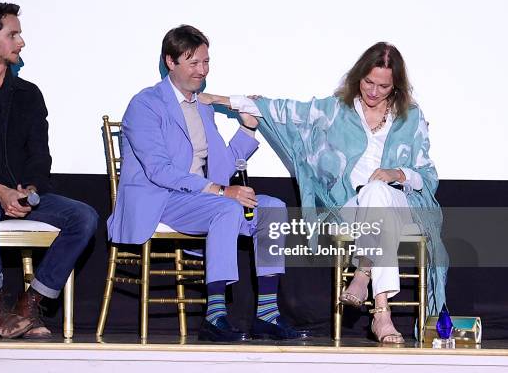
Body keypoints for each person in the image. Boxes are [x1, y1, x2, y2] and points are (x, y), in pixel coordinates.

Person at [198, 42, 448, 344]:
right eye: (368, 82)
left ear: (396, 86)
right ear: (359, 77)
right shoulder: (335, 111)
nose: (373, 91)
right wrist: (218, 99)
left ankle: (371, 292)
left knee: (379, 192)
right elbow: (282, 111)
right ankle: (374, 298)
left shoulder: (411, 117)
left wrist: (397, 174)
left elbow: (427, 178)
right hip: (349, 208)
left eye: (383, 86)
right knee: (373, 195)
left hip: (400, 204)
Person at [107, 25, 307, 342]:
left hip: (199, 199)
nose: (203, 70)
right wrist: (220, 192)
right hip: (159, 200)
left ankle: (267, 315)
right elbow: (159, 171)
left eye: (206, 62)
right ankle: (214, 316)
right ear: (170, 62)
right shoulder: (145, 104)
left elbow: (221, 168)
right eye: (193, 63)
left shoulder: (202, 106)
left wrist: (248, 131)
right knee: (226, 208)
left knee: (273, 208)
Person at [0, 2, 99, 339]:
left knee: (84, 217)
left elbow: (41, 156)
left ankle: (31, 302)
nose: (21, 41)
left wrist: (30, 189)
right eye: (13, 34)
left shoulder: (29, 94)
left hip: (22, 194)